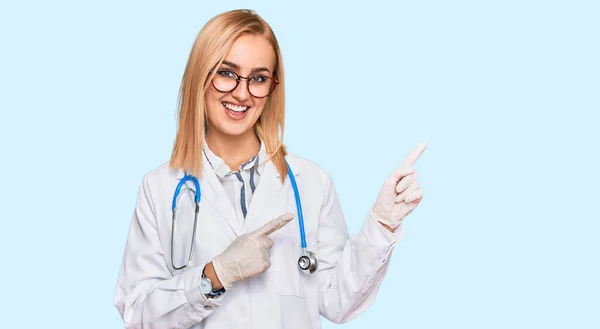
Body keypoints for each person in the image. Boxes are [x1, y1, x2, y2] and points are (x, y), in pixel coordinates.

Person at [114, 8, 426, 329]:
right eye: (227, 73)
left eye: (259, 79)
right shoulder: (160, 188)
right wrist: (216, 274)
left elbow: (337, 302)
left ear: (272, 88)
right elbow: (138, 314)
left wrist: (383, 224)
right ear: (200, 76)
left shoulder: (311, 183)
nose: (241, 92)